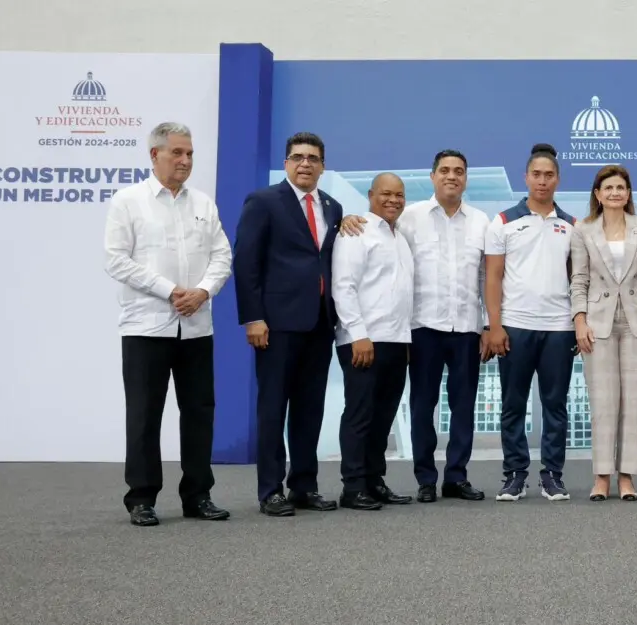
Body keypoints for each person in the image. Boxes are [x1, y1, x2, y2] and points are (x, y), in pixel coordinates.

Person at [104, 122, 232, 526]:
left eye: (190, 153)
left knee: (199, 412)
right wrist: (170, 290)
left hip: (196, 325)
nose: (185, 160)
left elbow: (222, 256)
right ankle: (141, 497)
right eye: (177, 153)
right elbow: (116, 259)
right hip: (146, 326)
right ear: (154, 155)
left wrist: (204, 292)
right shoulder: (128, 201)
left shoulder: (203, 204)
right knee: (144, 414)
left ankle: (198, 494)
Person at [234, 132, 343, 516]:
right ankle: (270, 490)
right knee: (273, 408)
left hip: (319, 322)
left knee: (310, 409)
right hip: (276, 324)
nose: (306, 164)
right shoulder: (263, 201)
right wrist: (253, 316)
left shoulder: (333, 206)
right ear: (286, 163)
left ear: (323, 166)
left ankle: (304, 485)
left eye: (313, 158)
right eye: (298, 157)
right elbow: (246, 263)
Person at [484, 143, 578, 502]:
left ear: (557, 179)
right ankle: (514, 475)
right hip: (515, 326)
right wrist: (494, 326)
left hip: (559, 327)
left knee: (555, 405)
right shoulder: (504, 221)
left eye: (549, 175)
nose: (542, 181)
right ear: (526, 177)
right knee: (513, 404)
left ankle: (552, 474)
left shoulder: (571, 226)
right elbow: (492, 278)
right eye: (536, 175)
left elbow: (577, 279)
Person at [396, 150, 491, 503]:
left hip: (467, 327)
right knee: (423, 404)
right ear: (433, 176)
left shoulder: (481, 221)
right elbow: (396, 266)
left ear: (466, 178)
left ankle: (456, 477)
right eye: (445, 170)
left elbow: (486, 277)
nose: (452, 176)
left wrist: (488, 325)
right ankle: (424, 478)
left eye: (459, 171)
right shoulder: (410, 218)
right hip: (422, 326)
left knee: (464, 405)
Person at [570, 165, 637, 501]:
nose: (614, 193)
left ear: (628, 193)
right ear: (597, 194)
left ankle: (626, 477)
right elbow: (578, 280)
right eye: (608, 187)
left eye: (620, 187)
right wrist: (579, 321)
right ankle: (601, 477)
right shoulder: (582, 230)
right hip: (598, 323)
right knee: (603, 403)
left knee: (634, 403)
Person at [330, 173, 415, 510]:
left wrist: (405, 339)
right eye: (386, 194)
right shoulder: (357, 231)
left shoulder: (400, 237)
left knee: (383, 416)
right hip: (363, 340)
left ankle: (373, 480)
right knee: (360, 414)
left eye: (399, 195)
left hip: (396, 340)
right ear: (370, 195)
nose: (393, 200)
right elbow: (344, 286)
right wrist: (357, 334)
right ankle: (352, 486)